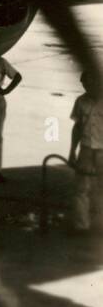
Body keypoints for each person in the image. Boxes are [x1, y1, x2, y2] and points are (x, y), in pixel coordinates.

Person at [70, 70, 103, 232]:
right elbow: (77, 128)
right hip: (86, 149)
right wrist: (71, 151)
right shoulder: (80, 101)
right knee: (81, 189)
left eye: (90, 84)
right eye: (85, 85)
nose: (87, 88)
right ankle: (81, 226)